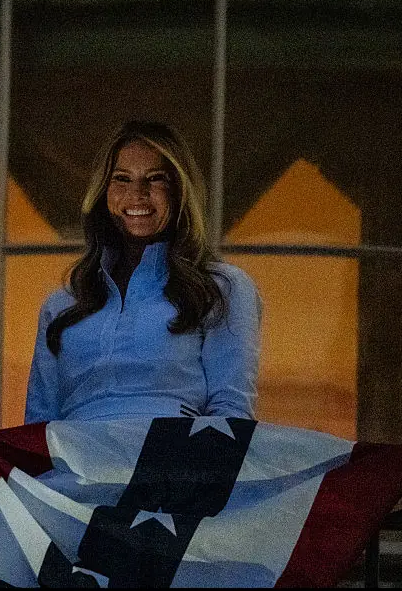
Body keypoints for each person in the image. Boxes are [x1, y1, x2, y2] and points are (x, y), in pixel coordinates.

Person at [25, 121, 261, 423]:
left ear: (179, 192)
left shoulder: (221, 287)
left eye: (156, 178)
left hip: (175, 463)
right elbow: (36, 429)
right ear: (102, 193)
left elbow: (232, 415)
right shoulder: (60, 305)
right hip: (74, 466)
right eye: (121, 179)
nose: (137, 193)